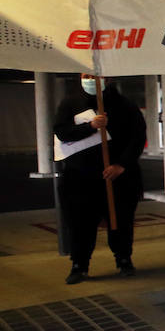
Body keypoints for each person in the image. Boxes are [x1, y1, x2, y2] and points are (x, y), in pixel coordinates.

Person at [53, 75, 146, 284]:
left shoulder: (125, 105)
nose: (91, 79)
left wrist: (121, 165)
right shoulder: (70, 103)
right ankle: (79, 264)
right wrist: (90, 127)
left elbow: (138, 137)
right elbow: (61, 132)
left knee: (120, 220)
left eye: (96, 75)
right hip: (80, 177)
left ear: (107, 78)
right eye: (86, 76)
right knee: (80, 223)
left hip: (118, 176)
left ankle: (123, 259)